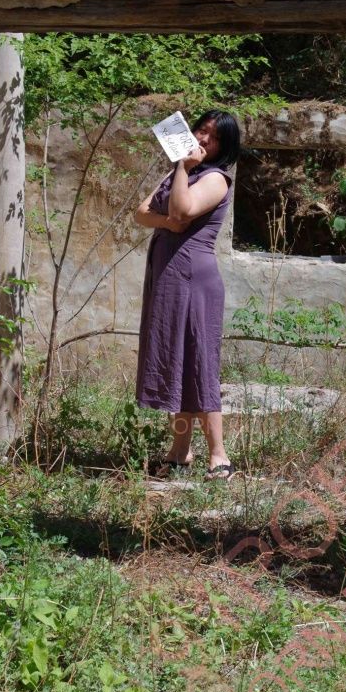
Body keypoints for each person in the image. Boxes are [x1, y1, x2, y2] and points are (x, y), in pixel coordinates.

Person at [134, 109, 241, 481]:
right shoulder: (182, 171)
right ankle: (180, 452)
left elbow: (182, 209)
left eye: (214, 136)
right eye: (201, 130)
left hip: (195, 280)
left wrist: (182, 168)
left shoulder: (215, 179)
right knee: (176, 362)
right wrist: (167, 220)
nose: (203, 138)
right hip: (169, 276)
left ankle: (219, 456)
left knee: (199, 363)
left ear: (224, 147)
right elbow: (142, 213)